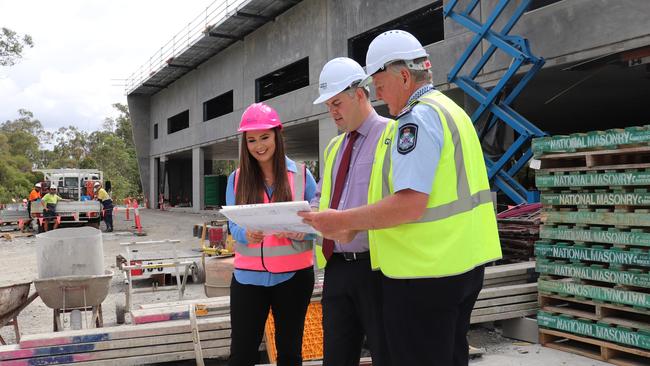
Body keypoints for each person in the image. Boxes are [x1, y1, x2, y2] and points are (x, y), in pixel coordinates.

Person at [299, 30, 502, 365]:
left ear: (404, 76)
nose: (378, 94)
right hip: (464, 265)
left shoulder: (416, 119)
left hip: (427, 273)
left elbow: (410, 203)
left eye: (379, 85)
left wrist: (343, 222)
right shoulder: (452, 111)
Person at [311, 57, 390, 366]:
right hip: (337, 268)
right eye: (328, 105)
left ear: (359, 94)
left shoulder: (392, 135)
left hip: (378, 267)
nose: (332, 112)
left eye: (337, 103)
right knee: (336, 357)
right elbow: (322, 197)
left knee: (387, 353)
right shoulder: (334, 147)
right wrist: (305, 220)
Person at [225, 102, 317, 366]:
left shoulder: (301, 175)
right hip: (247, 279)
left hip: (294, 278)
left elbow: (318, 220)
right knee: (241, 355)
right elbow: (234, 225)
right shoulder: (236, 178)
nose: (259, 146)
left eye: (265, 137)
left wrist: (305, 232)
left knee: (289, 354)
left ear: (278, 134)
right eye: (252, 140)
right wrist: (246, 234)